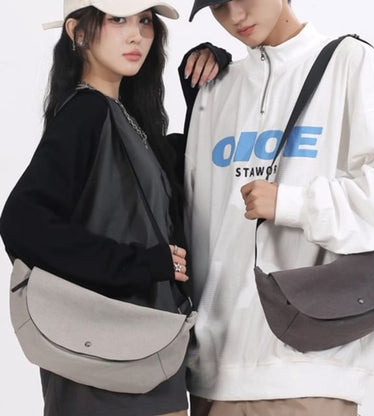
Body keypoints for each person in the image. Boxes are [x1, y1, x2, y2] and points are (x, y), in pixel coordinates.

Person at [181, 1, 374, 415]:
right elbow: (191, 220)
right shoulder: (215, 89)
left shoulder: (349, 63)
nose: (235, 16)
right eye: (219, 5)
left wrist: (293, 203)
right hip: (210, 377)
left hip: (309, 370)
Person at [0, 1, 230, 415]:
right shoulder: (86, 113)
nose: (136, 35)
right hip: (103, 362)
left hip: (148, 354)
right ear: (78, 32)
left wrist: (202, 90)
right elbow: (22, 223)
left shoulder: (125, 117)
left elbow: (181, 187)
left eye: (145, 21)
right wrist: (138, 264)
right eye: (118, 19)